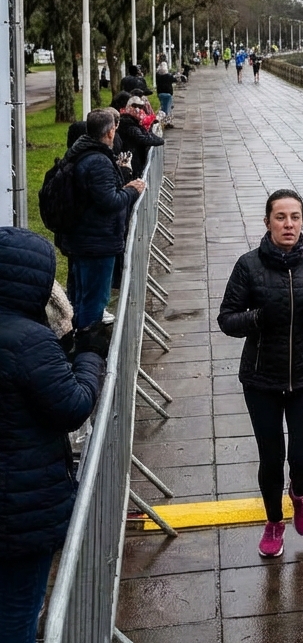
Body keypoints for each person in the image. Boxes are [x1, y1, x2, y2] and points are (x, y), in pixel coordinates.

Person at [218, 190, 303, 557]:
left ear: (302, 221)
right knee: (271, 459)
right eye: (281, 217)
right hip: (261, 379)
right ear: (268, 222)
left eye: (295, 217)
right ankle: (273, 521)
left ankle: (300, 493)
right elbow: (227, 319)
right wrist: (257, 318)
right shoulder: (248, 265)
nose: (289, 224)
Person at [0, 227, 106, 643]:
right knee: (18, 609)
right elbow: (72, 405)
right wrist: (90, 357)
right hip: (21, 507)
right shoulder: (28, 341)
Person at [60, 108, 146, 329]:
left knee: (80, 295)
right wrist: (132, 190)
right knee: (94, 299)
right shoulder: (98, 161)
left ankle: (79, 335)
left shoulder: (80, 152)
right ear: (110, 132)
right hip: (97, 241)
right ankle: (88, 341)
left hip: (82, 237)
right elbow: (110, 201)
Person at [113, 92, 165, 178]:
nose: (138, 110)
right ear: (129, 107)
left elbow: (146, 134)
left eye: (140, 107)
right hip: (132, 161)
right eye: (135, 106)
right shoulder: (127, 123)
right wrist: (161, 141)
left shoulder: (134, 122)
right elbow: (142, 138)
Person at [155, 61, 175, 126]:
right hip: (168, 94)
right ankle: (167, 122)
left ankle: (162, 121)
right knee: (168, 108)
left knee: (162, 107)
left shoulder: (158, 76)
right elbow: (174, 80)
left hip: (160, 94)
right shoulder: (169, 76)